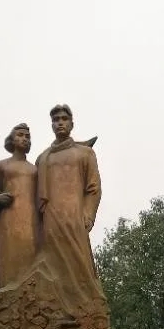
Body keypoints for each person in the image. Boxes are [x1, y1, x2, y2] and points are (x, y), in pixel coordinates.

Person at [35, 105, 106, 308]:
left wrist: (88, 214)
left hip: (74, 218)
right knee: (52, 265)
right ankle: (56, 309)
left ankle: (87, 309)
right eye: (55, 120)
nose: (60, 123)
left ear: (71, 124)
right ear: (51, 125)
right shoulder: (42, 158)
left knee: (79, 262)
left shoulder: (84, 154)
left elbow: (93, 188)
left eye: (64, 119)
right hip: (50, 219)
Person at [0, 123, 38, 288]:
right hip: (9, 220)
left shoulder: (35, 170)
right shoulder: (2, 166)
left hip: (31, 220)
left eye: (27, 136)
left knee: (31, 257)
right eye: (20, 135)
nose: (24, 139)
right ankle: (7, 293)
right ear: (12, 139)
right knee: (9, 257)